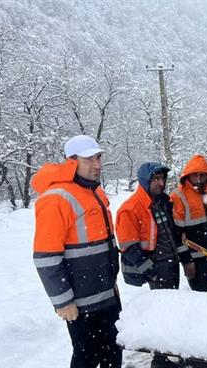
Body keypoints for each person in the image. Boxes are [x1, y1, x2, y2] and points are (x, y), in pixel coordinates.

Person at [32, 134, 122, 367]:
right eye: (89, 159)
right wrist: (63, 301)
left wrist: (112, 284)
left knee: (114, 350)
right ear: (72, 161)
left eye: (99, 158)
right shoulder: (56, 198)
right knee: (87, 357)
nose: (97, 165)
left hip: (106, 294)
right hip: (81, 303)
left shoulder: (94, 192)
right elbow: (45, 257)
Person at [115, 162, 192, 367]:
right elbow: (128, 247)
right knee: (162, 316)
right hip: (157, 269)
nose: (161, 183)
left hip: (170, 264)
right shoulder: (130, 209)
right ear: (145, 180)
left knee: (171, 311)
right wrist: (151, 271)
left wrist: (184, 260)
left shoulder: (163, 203)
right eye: (156, 179)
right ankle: (161, 360)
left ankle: (169, 354)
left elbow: (174, 235)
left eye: (162, 179)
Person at [170, 155, 207, 292]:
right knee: (200, 297)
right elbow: (177, 234)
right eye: (195, 175)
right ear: (188, 176)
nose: (198, 179)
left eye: (202, 176)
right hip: (194, 259)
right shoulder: (178, 197)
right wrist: (186, 261)